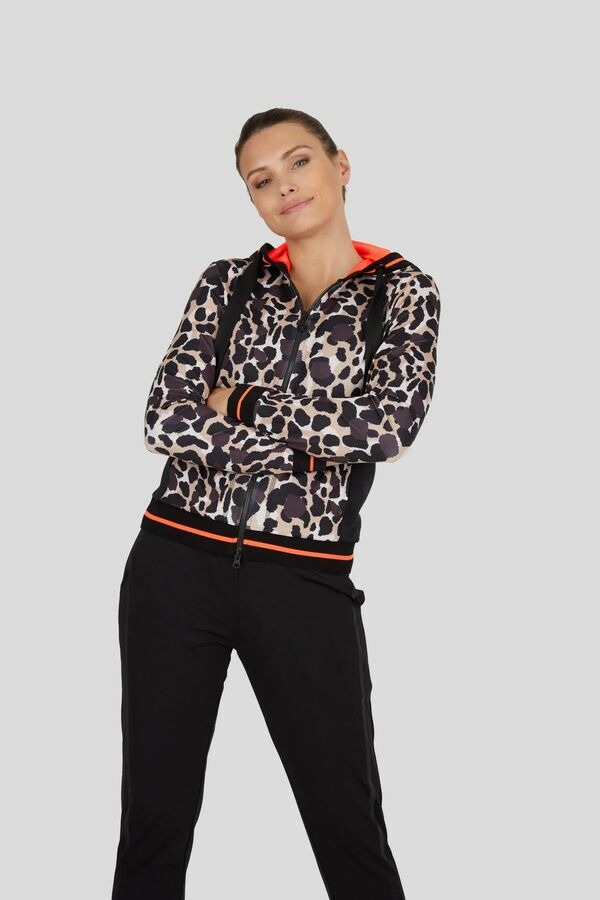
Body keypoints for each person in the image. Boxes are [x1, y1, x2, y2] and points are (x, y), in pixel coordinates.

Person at [111, 107, 441, 900]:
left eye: (299, 162)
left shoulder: (403, 292)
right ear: (252, 199)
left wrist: (244, 403)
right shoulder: (227, 283)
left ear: (340, 166)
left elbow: (386, 429)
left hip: (304, 579)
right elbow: (164, 418)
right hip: (172, 565)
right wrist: (308, 447)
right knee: (154, 817)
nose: (283, 186)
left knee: (348, 824)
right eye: (261, 180)